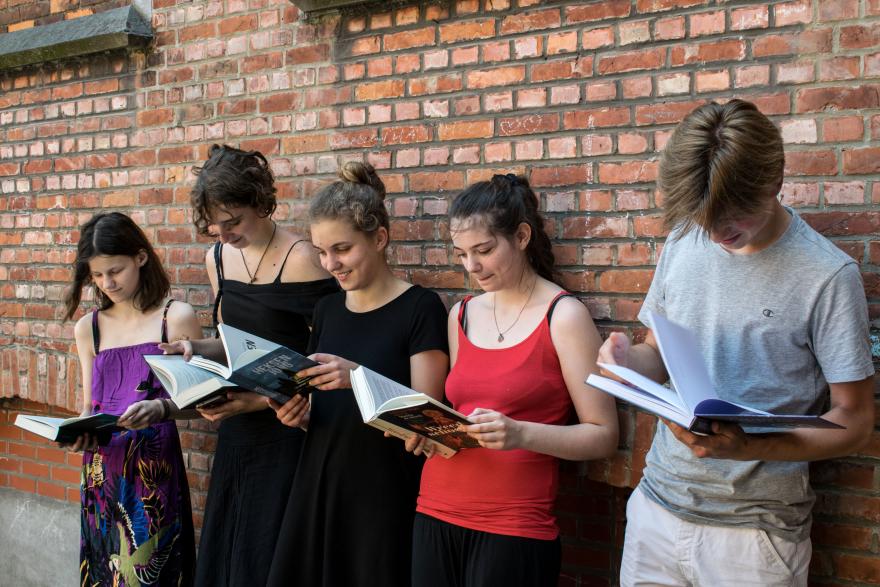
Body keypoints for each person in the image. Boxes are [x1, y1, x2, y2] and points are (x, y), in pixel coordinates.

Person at [597, 100, 875, 586]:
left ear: (775, 180)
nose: (716, 232)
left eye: (732, 217)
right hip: (657, 509)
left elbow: (854, 421)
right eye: (705, 218)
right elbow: (659, 353)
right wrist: (626, 362)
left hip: (756, 536)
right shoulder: (685, 239)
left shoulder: (827, 275)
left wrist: (744, 447)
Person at [410, 174, 620, 586]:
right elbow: (460, 415)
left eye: (484, 251)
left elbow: (603, 434)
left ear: (521, 236)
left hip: (515, 526)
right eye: (461, 254)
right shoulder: (461, 314)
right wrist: (426, 431)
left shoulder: (564, 316)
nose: (471, 266)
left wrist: (520, 434)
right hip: (434, 509)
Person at [160, 144, 338, 586]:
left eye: (233, 221)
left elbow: (329, 358)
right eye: (214, 225)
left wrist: (259, 401)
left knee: (273, 555)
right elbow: (231, 342)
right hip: (238, 429)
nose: (223, 234)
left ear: (260, 201)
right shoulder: (216, 259)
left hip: (289, 425)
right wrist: (196, 350)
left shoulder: (304, 258)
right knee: (233, 551)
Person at [267, 161, 449, 587]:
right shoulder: (327, 309)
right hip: (320, 485)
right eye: (322, 251)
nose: (331, 263)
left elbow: (429, 421)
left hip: (382, 493)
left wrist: (358, 377)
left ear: (380, 238)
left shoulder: (420, 308)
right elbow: (330, 408)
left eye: (342, 249)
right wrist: (299, 415)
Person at [63, 212, 203, 586]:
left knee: (149, 574)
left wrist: (161, 409)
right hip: (100, 473)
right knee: (103, 573)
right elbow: (89, 407)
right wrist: (79, 434)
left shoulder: (175, 318)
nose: (107, 283)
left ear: (141, 257)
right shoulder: (88, 328)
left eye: (115, 270)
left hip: (153, 476)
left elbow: (204, 403)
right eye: (97, 275)